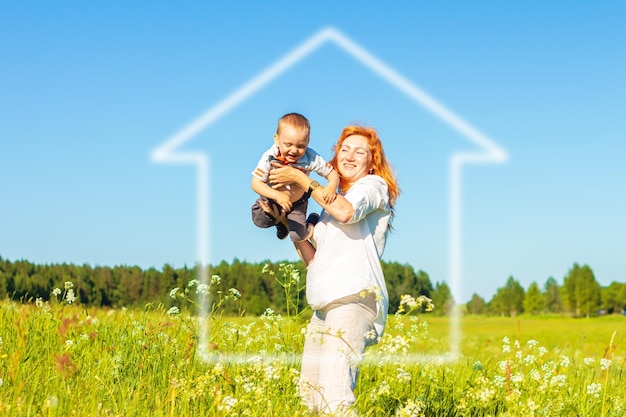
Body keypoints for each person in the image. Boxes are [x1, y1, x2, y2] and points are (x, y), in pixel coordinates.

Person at [261, 124, 400, 415]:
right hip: (324, 304)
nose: (349, 156)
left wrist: (301, 177)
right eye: (344, 150)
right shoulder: (328, 210)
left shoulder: (373, 187)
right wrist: (287, 224)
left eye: (359, 151)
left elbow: (347, 212)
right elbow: (313, 261)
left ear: (371, 161)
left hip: (352, 299)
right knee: (309, 398)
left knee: (335, 397)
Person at [251, 113, 339, 241]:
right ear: (277, 139)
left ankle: (312, 221)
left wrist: (331, 185)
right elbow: (255, 183)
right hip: (273, 198)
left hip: (297, 203)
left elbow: (332, 173)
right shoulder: (270, 156)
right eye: (288, 144)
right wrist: (277, 196)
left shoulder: (310, 157)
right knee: (259, 220)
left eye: (301, 146)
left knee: (298, 236)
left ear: (308, 142)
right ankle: (280, 223)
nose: (294, 150)